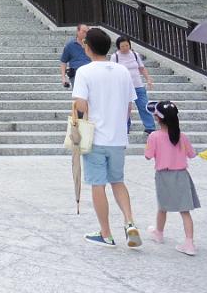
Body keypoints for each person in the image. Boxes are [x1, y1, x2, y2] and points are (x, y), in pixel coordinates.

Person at [71, 27, 142, 249]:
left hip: (95, 137)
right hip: (118, 137)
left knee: (98, 185)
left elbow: (81, 104)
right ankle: (129, 222)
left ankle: (106, 233)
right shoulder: (122, 71)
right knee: (118, 182)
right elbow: (130, 104)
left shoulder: (85, 71)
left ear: (88, 47)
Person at [144, 101, 200, 255]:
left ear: (157, 118)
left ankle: (159, 233)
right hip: (181, 175)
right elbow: (192, 154)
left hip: (163, 175)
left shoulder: (154, 136)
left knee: (162, 207)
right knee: (185, 211)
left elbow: (148, 156)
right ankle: (189, 243)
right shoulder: (182, 136)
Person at [111, 37, 155, 134]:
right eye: (122, 46)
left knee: (144, 106)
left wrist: (148, 79)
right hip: (123, 87)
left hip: (138, 85)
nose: (125, 48)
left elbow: (141, 68)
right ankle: (125, 127)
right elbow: (112, 72)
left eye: (127, 45)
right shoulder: (115, 57)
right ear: (118, 47)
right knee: (125, 108)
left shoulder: (135, 55)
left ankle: (150, 127)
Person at [59, 24, 91, 89]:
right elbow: (63, 61)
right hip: (76, 74)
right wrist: (63, 77)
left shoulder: (91, 44)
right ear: (78, 31)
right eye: (84, 32)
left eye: (87, 32)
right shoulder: (70, 45)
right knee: (79, 96)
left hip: (90, 73)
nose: (86, 34)